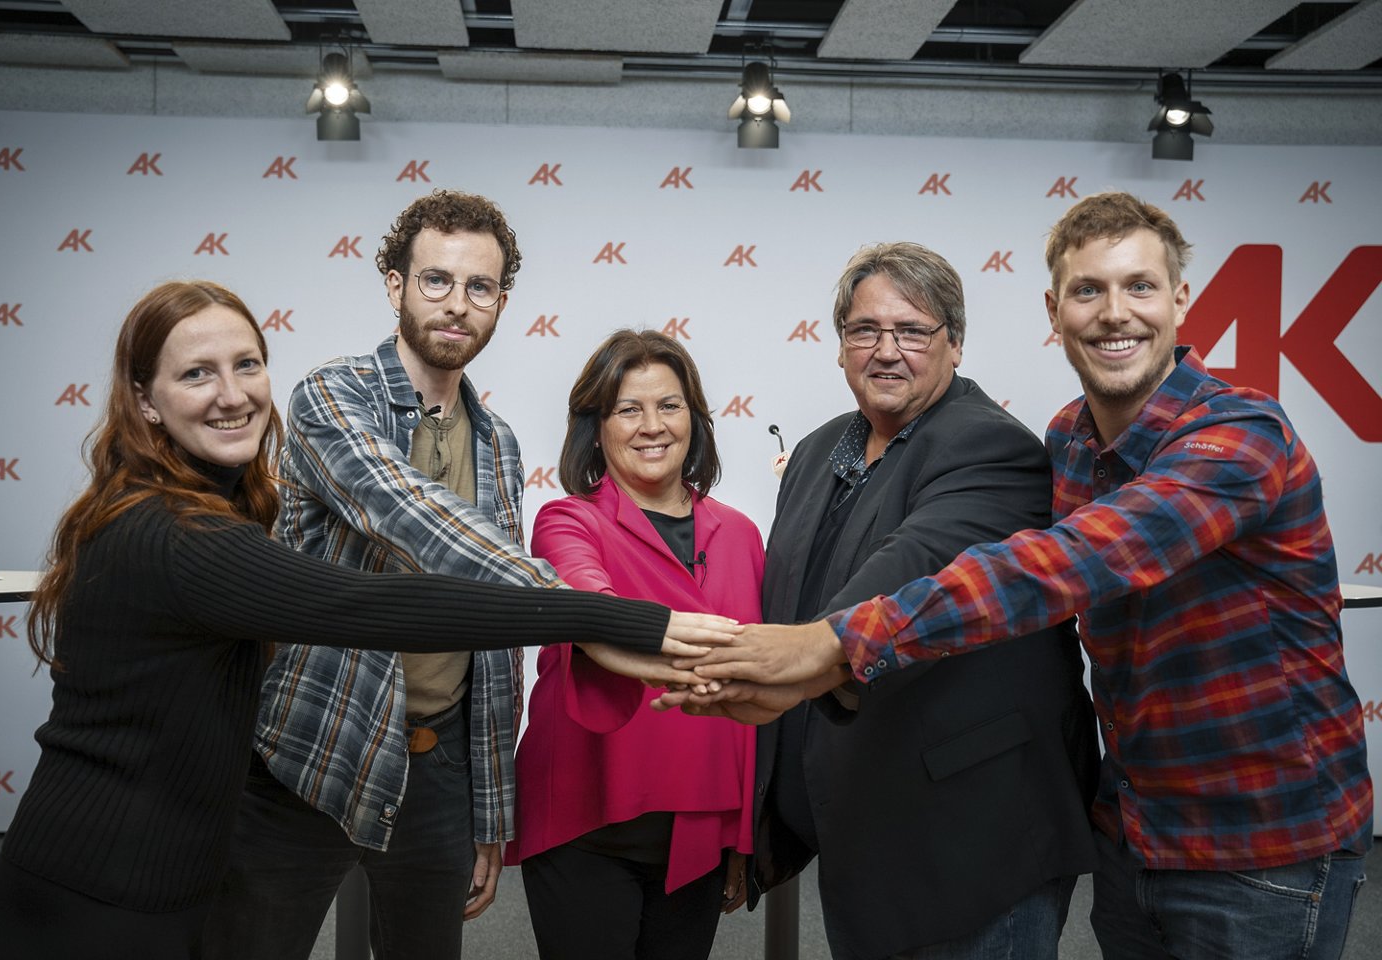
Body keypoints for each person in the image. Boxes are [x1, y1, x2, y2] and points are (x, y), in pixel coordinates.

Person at [668, 193, 1373, 960]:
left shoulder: (1241, 437)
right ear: (1054, 309)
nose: (1114, 313)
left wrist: (833, 643)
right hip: (1135, 834)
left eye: (1139, 286)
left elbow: (1063, 566)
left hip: (1262, 844)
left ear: (1180, 300)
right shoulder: (1069, 438)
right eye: (1088, 290)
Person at [0, 280, 732, 960]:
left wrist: (488, 801)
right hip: (90, 896)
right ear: (144, 401)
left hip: (155, 880)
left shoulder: (219, 503)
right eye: (196, 373)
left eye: (246, 365)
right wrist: (617, 620)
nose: (232, 394)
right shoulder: (176, 533)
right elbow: (373, 603)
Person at [203, 188, 657, 960]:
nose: (457, 304)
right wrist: (596, 617)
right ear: (395, 285)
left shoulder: (500, 441)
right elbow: (415, 521)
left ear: (502, 301)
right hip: (316, 742)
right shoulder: (331, 394)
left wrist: (489, 811)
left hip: (438, 760)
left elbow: (493, 640)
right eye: (436, 280)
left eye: (479, 287)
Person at [744, 242, 1097, 960]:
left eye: (912, 331)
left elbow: (899, 575)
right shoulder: (815, 453)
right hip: (868, 831)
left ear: (955, 343)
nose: (886, 351)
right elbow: (787, 597)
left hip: (974, 842)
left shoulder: (993, 448)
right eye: (865, 331)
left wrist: (736, 670)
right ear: (839, 345)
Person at [504, 330, 764, 960]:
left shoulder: (741, 534)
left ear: (695, 421)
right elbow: (592, 607)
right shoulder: (568, 521)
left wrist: (743, 835)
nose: (652, 426)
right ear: (596, 428)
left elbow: (756, 692)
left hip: (700, 822)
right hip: (587, 818)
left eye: (669, 406)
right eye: (628, 409)